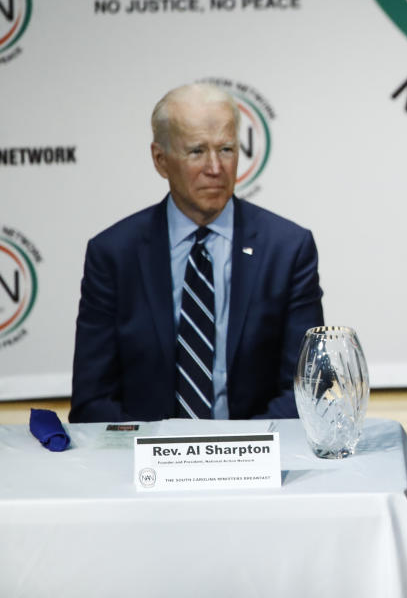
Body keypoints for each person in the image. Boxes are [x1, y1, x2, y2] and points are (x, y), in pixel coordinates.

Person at [69, 83, 323, 421]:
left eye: (227, 149)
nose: (215, 168)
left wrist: (236, 452)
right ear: (161, 160)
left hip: (252, 461)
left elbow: (307, 390)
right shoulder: (114, 255)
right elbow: (93, 400)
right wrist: (160, 454)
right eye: (196, 151)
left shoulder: (288, 250)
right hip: (145, 464)